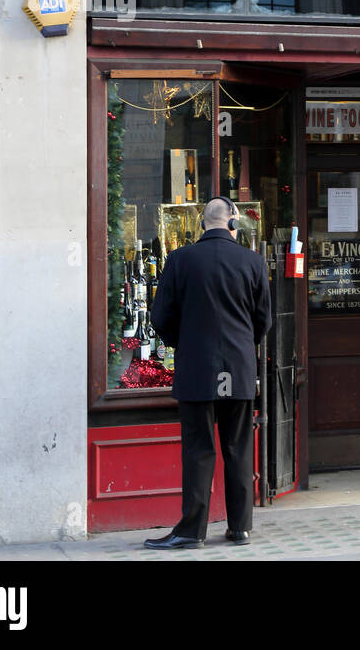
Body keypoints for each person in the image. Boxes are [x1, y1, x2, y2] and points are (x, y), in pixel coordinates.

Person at [144, 196, 272, 549]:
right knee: (238, 448)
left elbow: (160, 317)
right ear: (233, 222)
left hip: (198, 369)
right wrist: (245, 347)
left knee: (199, 450)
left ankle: (191, 531)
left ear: (203, 223)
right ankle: (240, 527)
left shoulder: (180, 259)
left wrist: (183, 345)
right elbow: (264, 320)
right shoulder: (253, 262)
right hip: (239, 369)